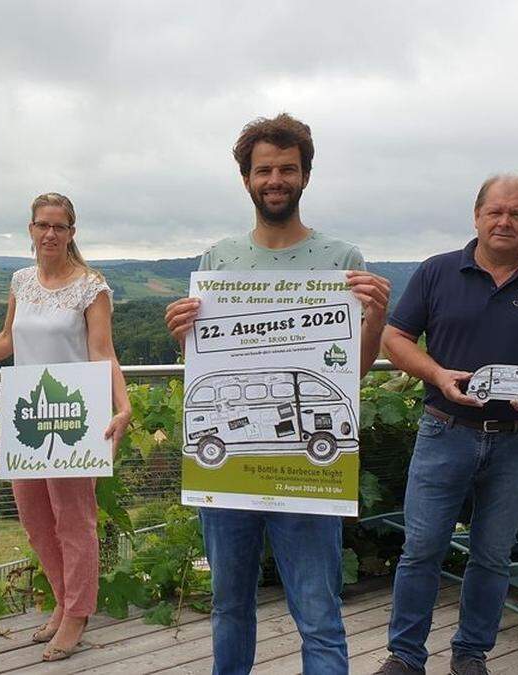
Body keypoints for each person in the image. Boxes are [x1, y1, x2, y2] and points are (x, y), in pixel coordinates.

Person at [164, 113, 391, 674]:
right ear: (246, 179)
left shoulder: (343, 261)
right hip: (229, 476)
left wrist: (377, 317)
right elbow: (205, 364)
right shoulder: (217, 261)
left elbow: (351, 375)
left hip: (308, 476)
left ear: (305, 176)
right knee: (229, 606)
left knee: (318, 613)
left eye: (287, 168)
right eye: (263, 169)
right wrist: (182, 331)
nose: (275, 179)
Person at [375, 175, 518, 675]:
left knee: (493, 556)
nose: (505, 221)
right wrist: (436, 373)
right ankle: (406, 657)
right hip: (444, 430)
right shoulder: (437, 271)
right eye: (495, 211)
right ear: (476, 215)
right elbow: (396, 337)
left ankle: (471, 654)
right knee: (422, 549)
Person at [0, 192, 131, 662]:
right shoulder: (21, 280)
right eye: (42, 225)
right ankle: (62, 601)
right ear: (31, 230)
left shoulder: (91, 287)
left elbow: (103, 351)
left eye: (59, 226)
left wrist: (123, 405)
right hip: (29, 416)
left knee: (74, 519)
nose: (50, 234)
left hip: (77, 415)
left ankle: (77, 613)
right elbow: (5, 338)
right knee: (36, 519)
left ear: (72, 232)